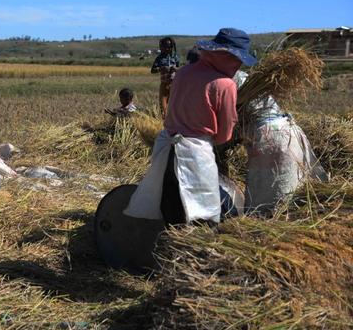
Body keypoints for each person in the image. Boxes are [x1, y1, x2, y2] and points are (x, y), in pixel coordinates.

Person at [124, 28, 257, 226]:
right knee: (201, 211)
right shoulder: (225, 85)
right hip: (196, 154)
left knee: (169, 204)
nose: (238, 66)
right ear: (223, 55)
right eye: (237, 60)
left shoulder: (183, 72)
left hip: (165, 148)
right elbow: (224, 133)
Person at [233, 71, 328, 214]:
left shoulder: (226, 81)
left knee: (272, 200)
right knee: (295, 189)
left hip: (270, 138)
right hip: (286, 129)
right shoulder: (242, 76)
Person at [151, 37, 180, 118]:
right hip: (164, 85)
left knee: (174, 107)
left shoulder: (175, 57)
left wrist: (175, 69)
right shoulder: (159, 58)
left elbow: (180, 70)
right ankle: (165, 123)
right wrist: (161, 68)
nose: (166, 49)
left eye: (168, 47)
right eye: (163, 47)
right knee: (163, 108)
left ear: (171, 47)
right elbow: (153, 70)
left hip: (175, 85)